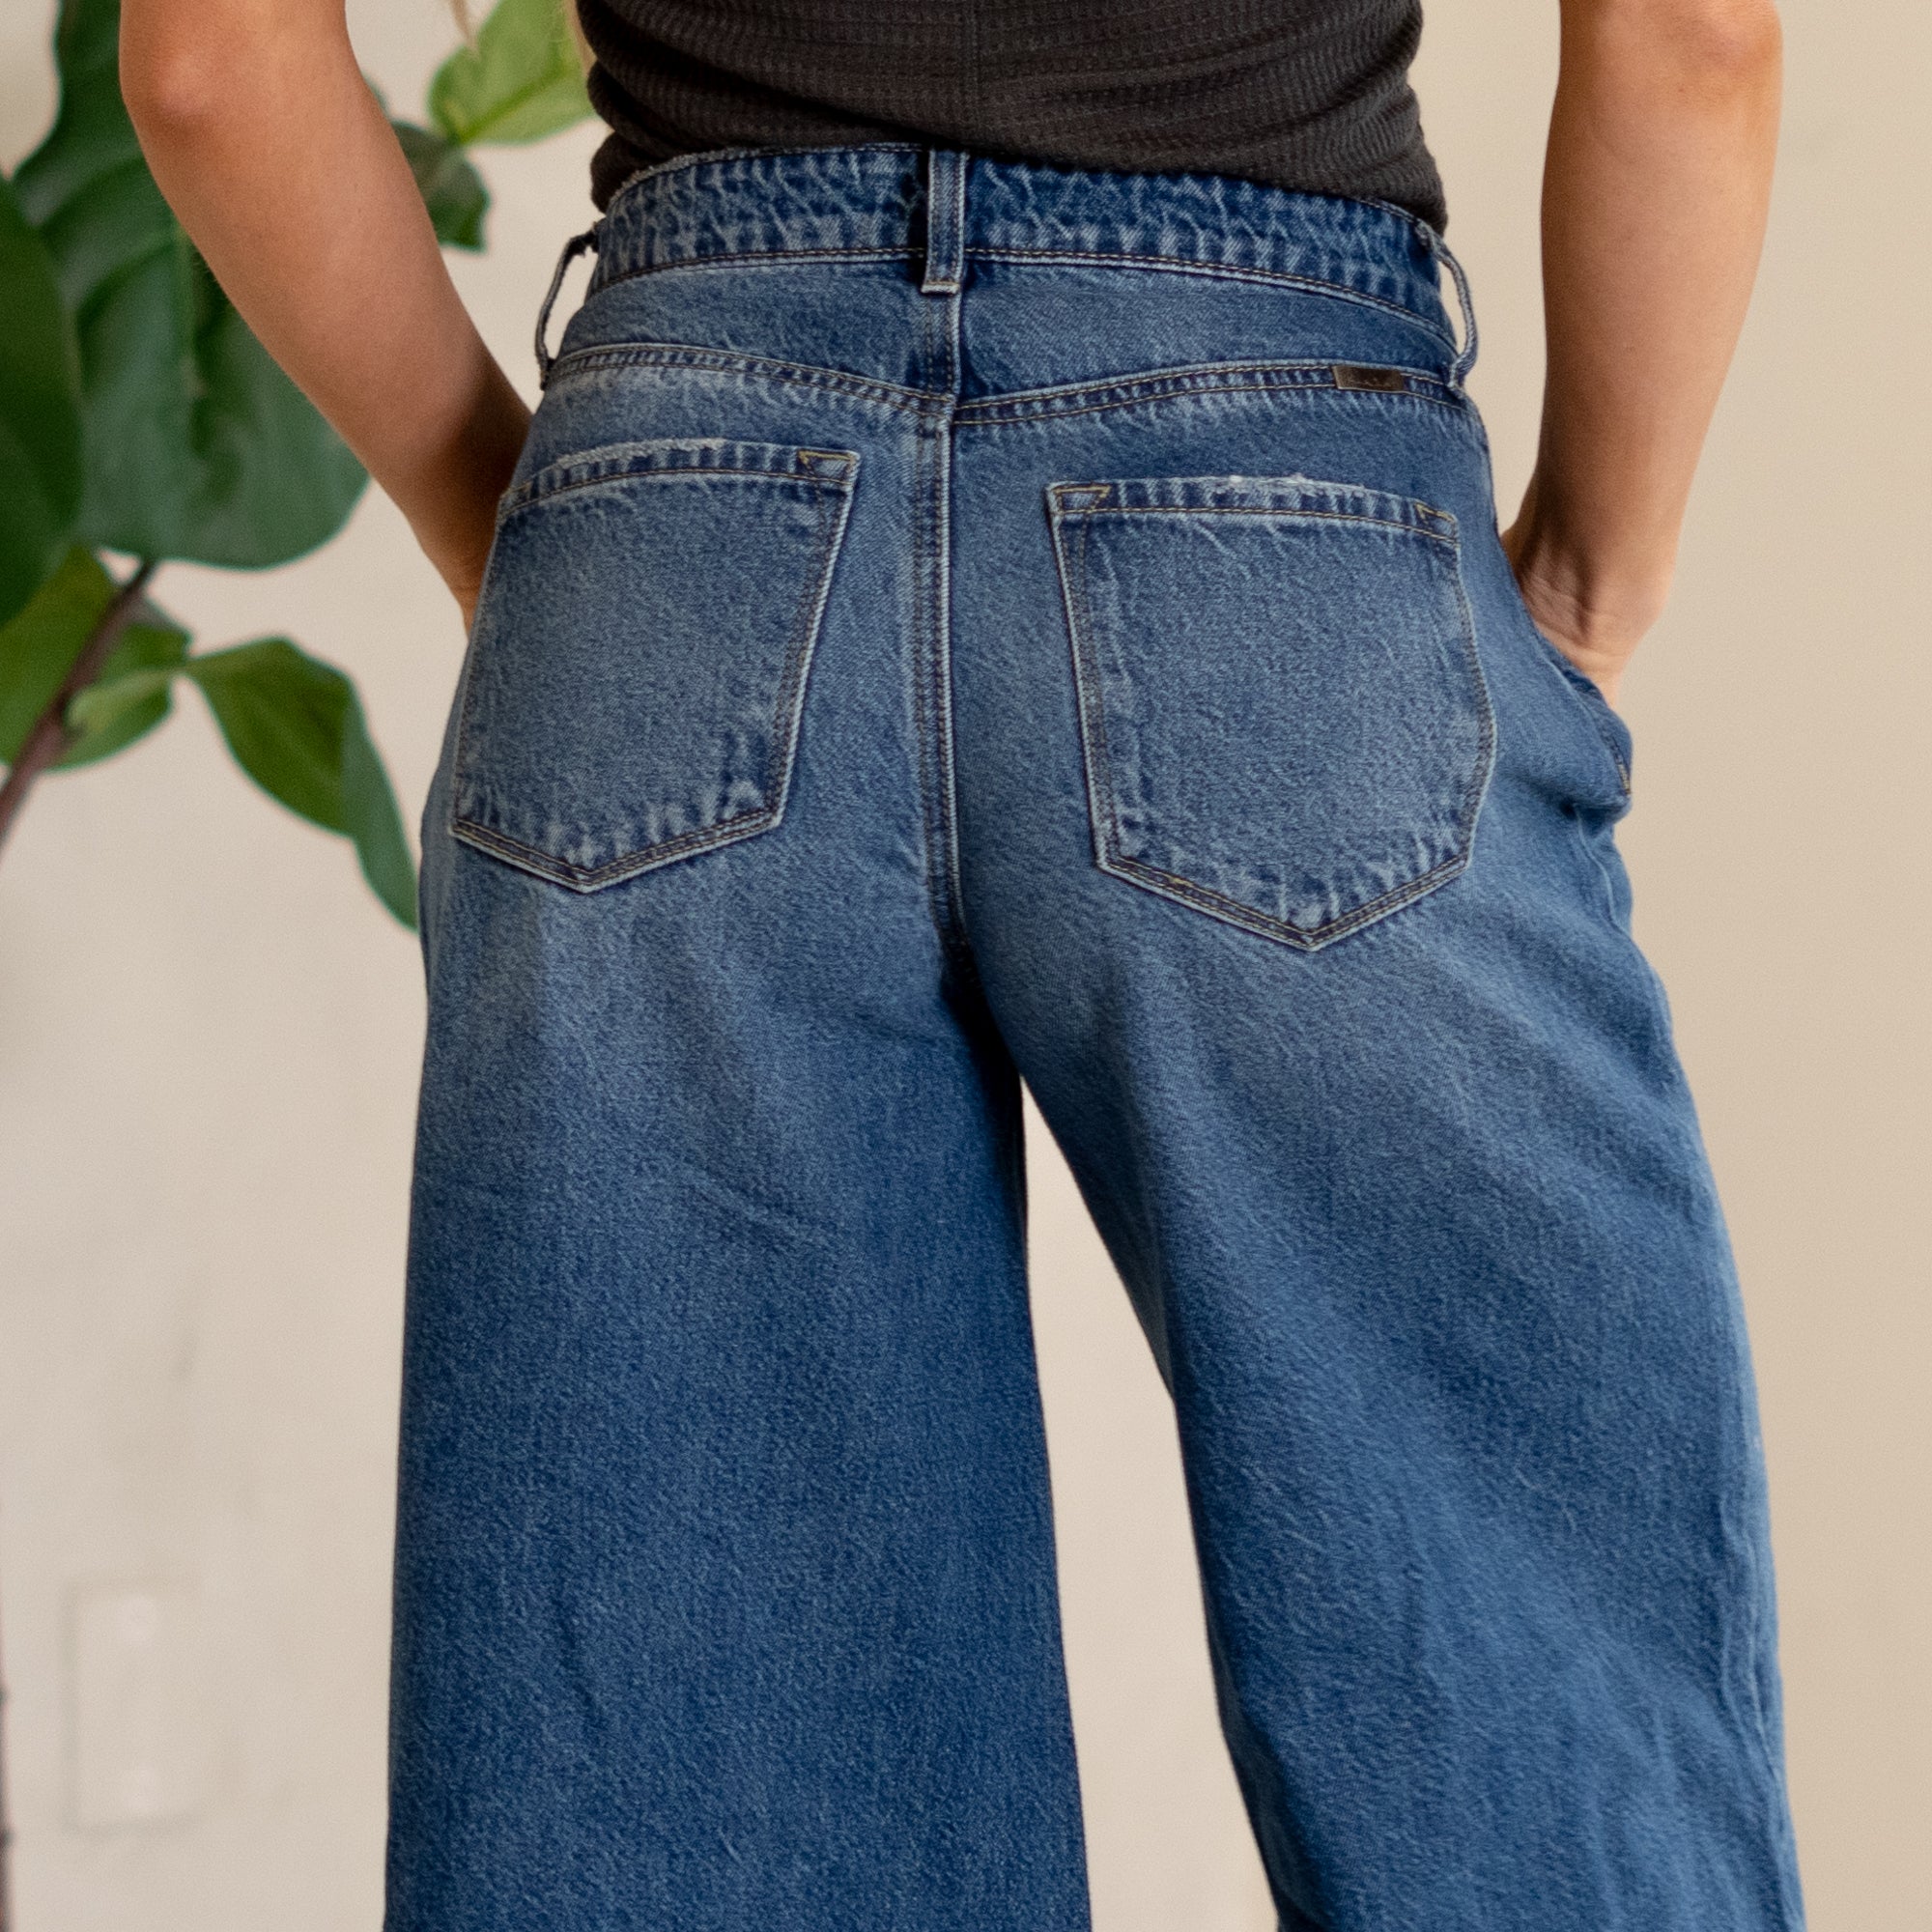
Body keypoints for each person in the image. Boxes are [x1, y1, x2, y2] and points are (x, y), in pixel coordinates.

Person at [121, 1, 1798, 1926]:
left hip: (678, 509)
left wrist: (517, 523)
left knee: (698, 1814)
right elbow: (1691, 34)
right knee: (1534, 1781)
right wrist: (1591, 576)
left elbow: (207, 64)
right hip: (1287, 511)